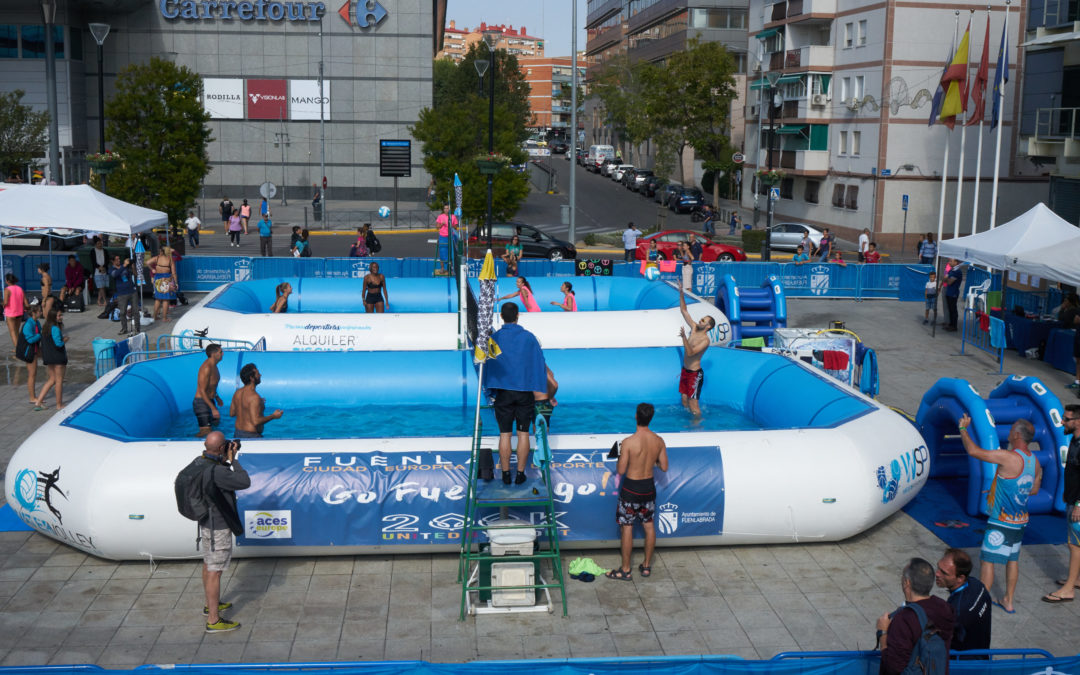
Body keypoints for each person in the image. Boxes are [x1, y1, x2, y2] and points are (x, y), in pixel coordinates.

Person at [958, 413, 1041, 613]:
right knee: (1012, 560)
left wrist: (963, 429)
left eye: (1012, 429)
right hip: (1020, 521)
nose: (1009, 432)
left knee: (987, 561)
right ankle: (1008, 600)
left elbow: (973, 451)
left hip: (1001, 521)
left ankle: (982, 604)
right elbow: (1034, 489)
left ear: (1017, 436)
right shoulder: (1034, 461)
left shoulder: (1008, 457)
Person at [194, 431, 250, 633]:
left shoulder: (201, 462)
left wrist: (224, 459)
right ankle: (214, 620)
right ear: (219, 448)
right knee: (215, 571)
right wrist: (233, 460)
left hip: (206, 521)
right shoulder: (219, 471)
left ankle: (211, 604)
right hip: (218, 525)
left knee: (208, 564)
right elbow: (243, 481)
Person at [485, 303, 547, 485]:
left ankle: (505, 474)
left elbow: (489, 365)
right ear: (517, 316)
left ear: (502, 316)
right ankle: (520, 473)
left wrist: (490, 390)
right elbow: (539, 363)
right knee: (523, 434)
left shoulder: (494, 338)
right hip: (524, 392)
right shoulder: (529, 338)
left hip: (503, 392)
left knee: (504, 434)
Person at [606, 403, 669, 582]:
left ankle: (626, 570)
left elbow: (621, 470)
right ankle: (646, 566)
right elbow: (664, 466)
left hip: (631, 490)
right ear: (651, 418)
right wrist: (651, 462)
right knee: (649, 526)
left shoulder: (628, 442)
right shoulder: (658, 441)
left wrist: (621, 457)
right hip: (648, 488)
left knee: (627, 527)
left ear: (636, 416)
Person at [876, 558, 954, 674]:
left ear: (907, 583)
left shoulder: (904, 619)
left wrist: (883, 634)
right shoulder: (945, 608)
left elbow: (894, 668)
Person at [1044, 404, 1080, 603]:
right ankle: (1077, 579)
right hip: (1073, 499)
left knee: (1074, 545)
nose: (1062, 422)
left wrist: (1079, 505)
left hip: (1078, 504)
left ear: (1078, 421)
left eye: (1066, 419)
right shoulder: (1075, 440)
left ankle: (1068, 589)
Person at [935, 548, 991, 655]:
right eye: (938, 567)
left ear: (960, 578)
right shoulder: (977, 584)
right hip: (982, 651)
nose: (937, 574)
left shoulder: (958, 610)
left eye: (944, 573)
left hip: (965, 662)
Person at [678, 284, 714, 418]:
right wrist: (681, 293)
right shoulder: (693, 327)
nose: (700, 320)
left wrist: (683, 338)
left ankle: (698, 428)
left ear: (708, 326)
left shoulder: (705, 340)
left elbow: (691, 353)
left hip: (694, 374)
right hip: (685, 371)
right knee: (684, 400)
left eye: (703, 320)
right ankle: (687, 424)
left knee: (694, 406)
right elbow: (684, 310)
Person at [230, 363, 282, 438]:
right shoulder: (254, 397)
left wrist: (254, 404)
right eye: (258, 374)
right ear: (252, 378)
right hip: (251, 436)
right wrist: (273, 416)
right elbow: (256, 422)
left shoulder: (237, 393)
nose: (260, 375)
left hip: (237, 433)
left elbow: (232, 413)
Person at [33, 306, 67, 411]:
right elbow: (58, 344)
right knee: (59, 381)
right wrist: (65, 340)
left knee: (51, 380)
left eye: (61, 315)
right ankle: (59, 405)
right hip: (58, 358)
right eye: (59, 315)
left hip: (48, 357)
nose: (61, 317)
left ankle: (38, 402)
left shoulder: (45, 327)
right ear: (54, 317)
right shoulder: (55, 328)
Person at [194, 344, 225, 438]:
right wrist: (213, 408)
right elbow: (202, 390)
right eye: (220, 352)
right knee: (205, 432)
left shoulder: (214, 366)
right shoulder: (206, 368)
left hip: (209, 400)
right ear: (214, 354)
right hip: (201, 402)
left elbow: (211, 386)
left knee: (216, 424)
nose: (223, 354)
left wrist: (217, 397)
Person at [16, 300, 43, 403]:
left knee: (34, 373)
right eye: (39, 311)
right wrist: (40, 336)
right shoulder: (28, 325)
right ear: (34, 313)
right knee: (32, 374)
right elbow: (30, 339)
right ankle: (32, 398)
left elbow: (40, 332)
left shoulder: (36, 322)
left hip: (35, 350)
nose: (41, 312)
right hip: (29, 352)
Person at [111, 256, 141, 336]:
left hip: (132, 291)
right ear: (112, 261)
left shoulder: (125, 267)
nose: (119, 260)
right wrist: (124, 265)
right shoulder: (112, 269)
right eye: (117, 259)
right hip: (122, 294)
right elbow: (115, 275)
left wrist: (133, 267)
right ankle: (124, 329)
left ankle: (137, 329)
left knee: (136, 311)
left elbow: (135, 274)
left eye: (119, 259)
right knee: (122, 312)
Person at [151, 246, 178, 322]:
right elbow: (174, 273)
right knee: (165, 299)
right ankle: (164, 318)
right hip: (166, 278)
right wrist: (175, 282)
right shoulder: (170, 260)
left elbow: (147, 262)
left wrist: (152, 269)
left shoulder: (157, 258)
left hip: (157, 278)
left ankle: (155, 316)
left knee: (158, 299)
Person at [3, 273, 27, 352]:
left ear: (7, 281)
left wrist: (2, 304)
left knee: (12, 332)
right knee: (17, 331)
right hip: (19, 313)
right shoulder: (20, 288)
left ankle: (18, 349)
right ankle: (18, 346)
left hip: (10, 313)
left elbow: (6, 302)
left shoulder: (7, 289)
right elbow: (26, 302)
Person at [943, 259, 963, 331]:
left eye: (951, 261)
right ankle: (951, 324)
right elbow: (945, 279)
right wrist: (946, 278)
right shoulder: (952, 270)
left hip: (953, 293)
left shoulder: (957, 271)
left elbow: (949, 282)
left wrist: (946, 278)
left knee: (953, 310)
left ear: (956, 262)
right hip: (949, 292)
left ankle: (954, 326)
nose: (949, 262)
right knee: (950, 309)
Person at [435, 205, 457, 271]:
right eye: (445, 208)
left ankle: (452, 268)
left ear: (449, 209)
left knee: (451, 252)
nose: (446, 209)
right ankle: (442, 268)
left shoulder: (453, 217)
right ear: (443, 209)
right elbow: (437, 227)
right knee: (442, 252)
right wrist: (442, 224)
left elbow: (456, 227)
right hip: (442, 236)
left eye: (447, 208)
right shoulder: (440, 216)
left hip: (451, 236)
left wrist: (451, 225)